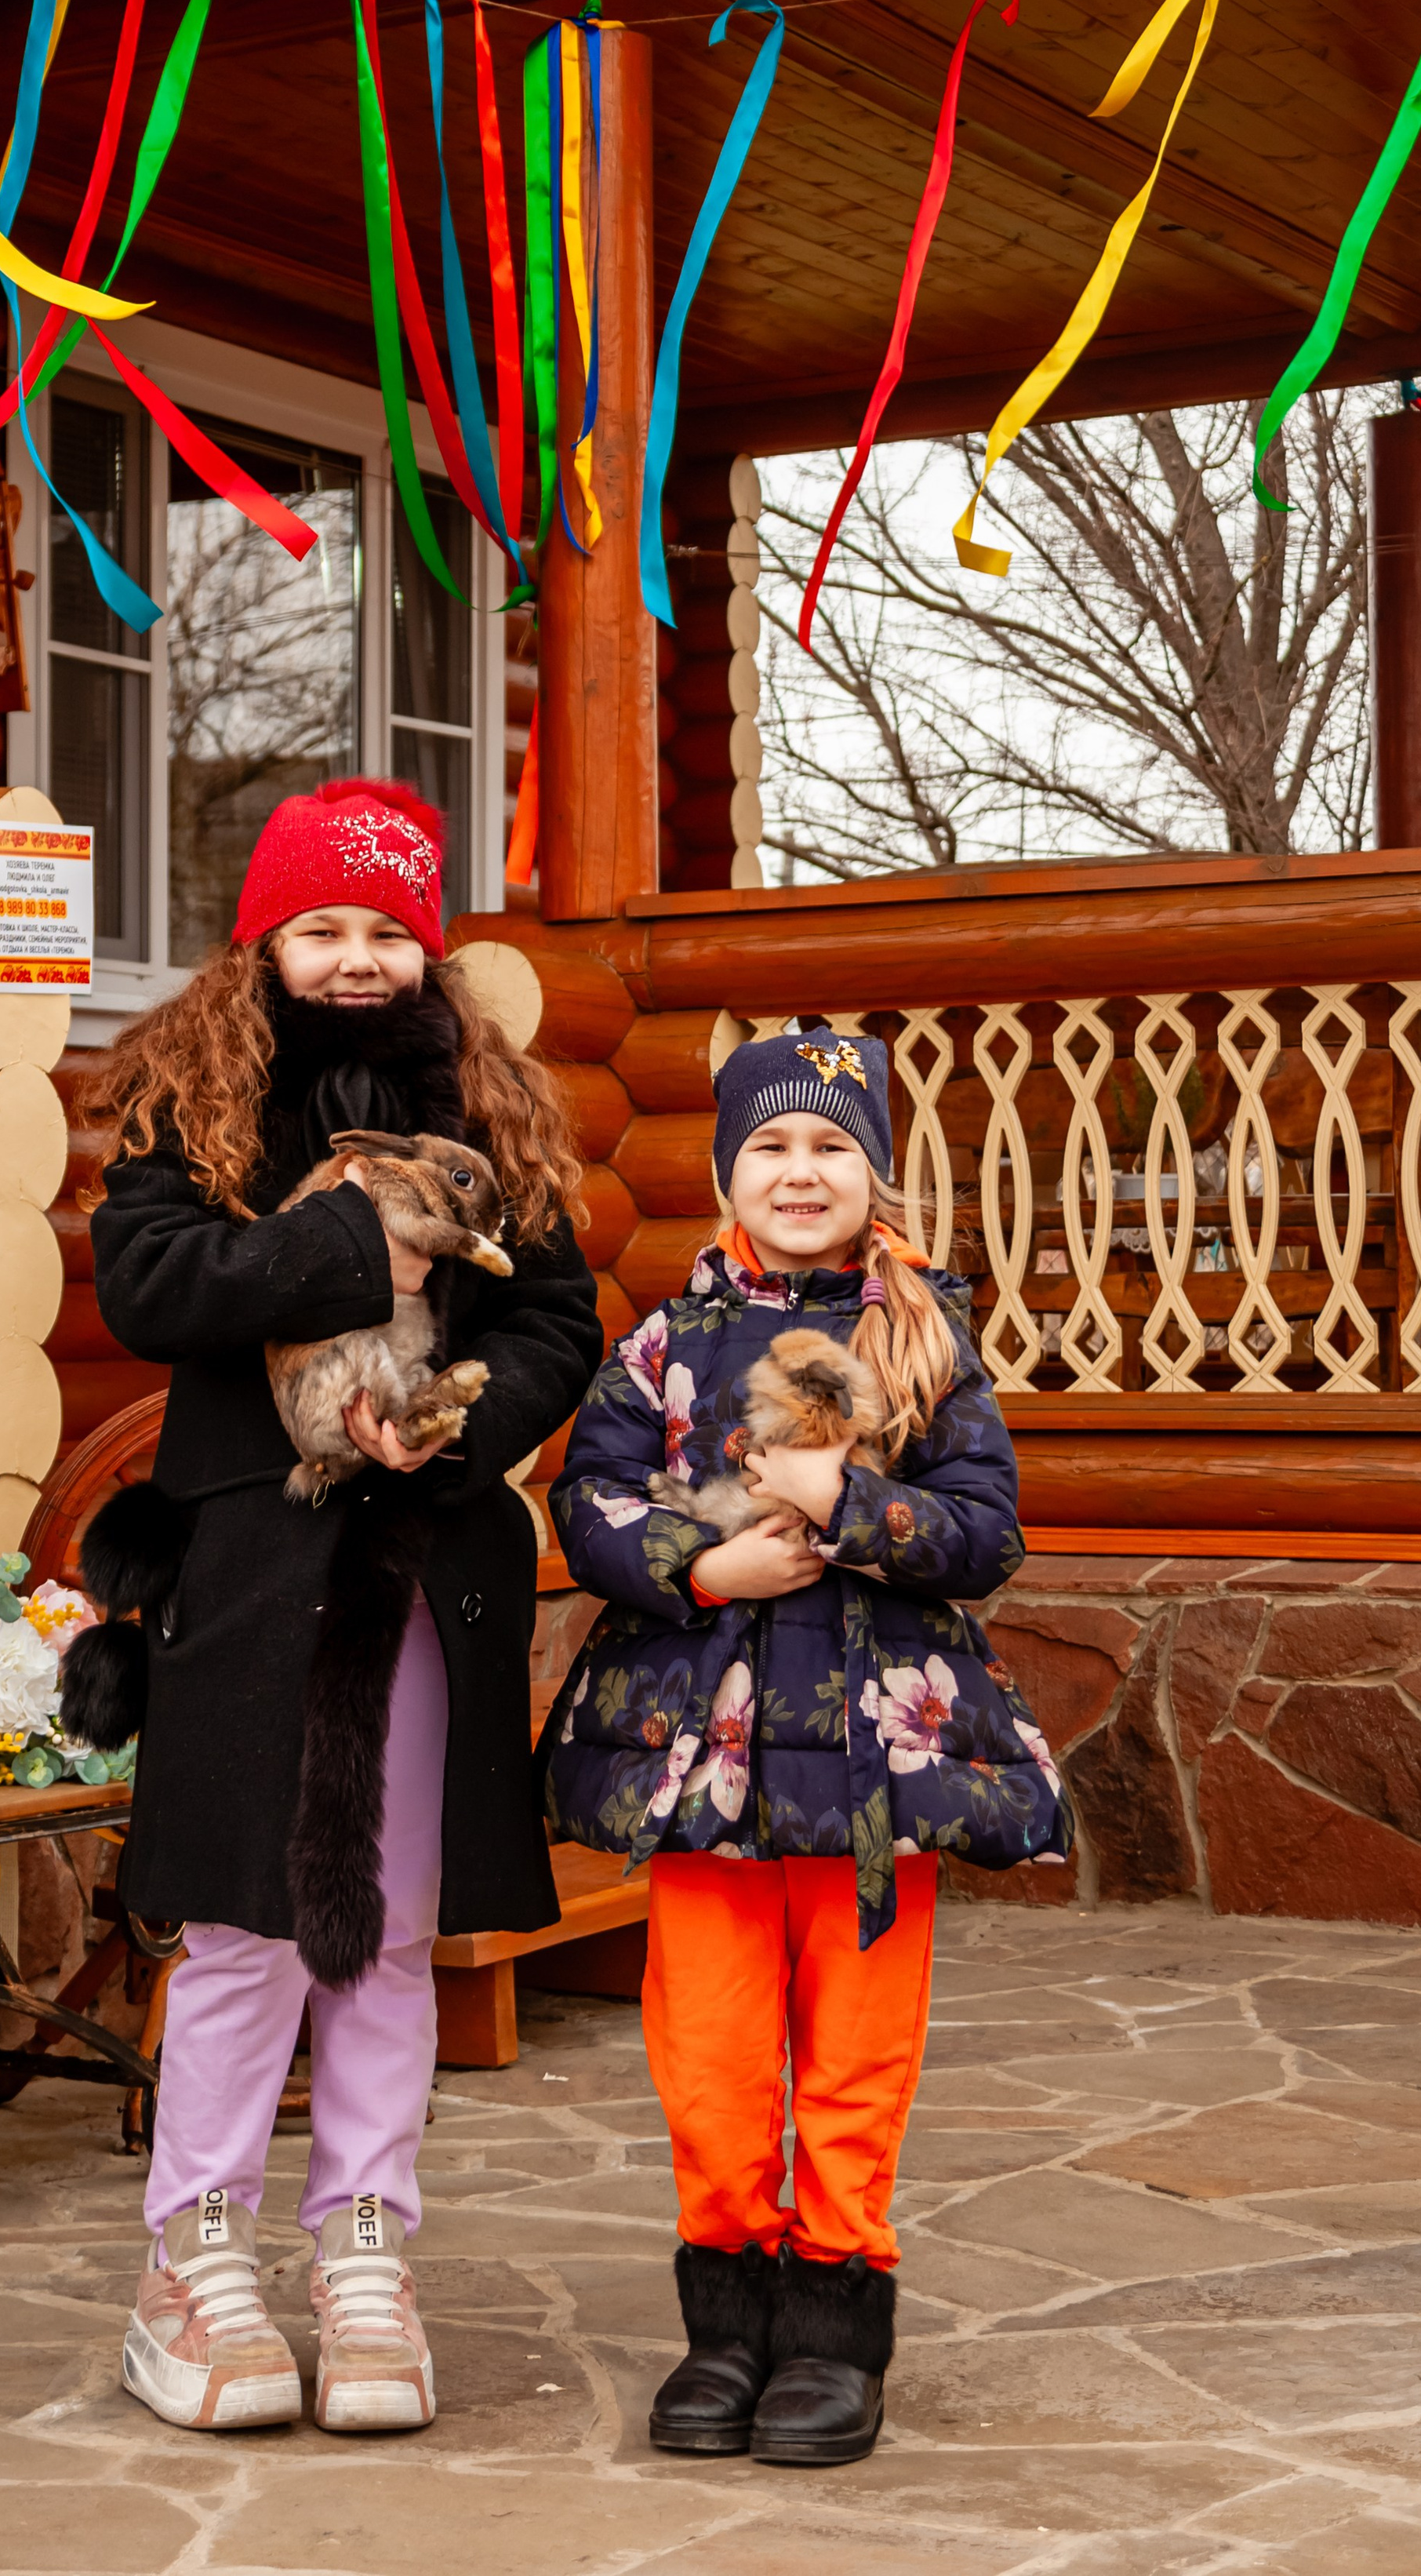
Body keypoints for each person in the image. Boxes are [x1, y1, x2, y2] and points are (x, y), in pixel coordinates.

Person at [78, 778, 601, 2439]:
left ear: (424, 947)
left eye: (388, 930)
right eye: (324, 928)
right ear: (266, 943)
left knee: (381, 1937)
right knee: (243, 1932)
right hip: (250, 1568)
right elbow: (151, 1289)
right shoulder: (191, 1112)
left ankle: (363, 2245)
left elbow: (558, 1325)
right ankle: (194, 2254)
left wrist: (459, 1416)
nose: (359, 959)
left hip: (420, 1559)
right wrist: (336, 1246)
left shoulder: (491, 1115)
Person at [543, 1030, 1069, 2468]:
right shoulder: (664, 1347)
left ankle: (833, 2330)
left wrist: (851, 1507)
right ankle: (726, 2326)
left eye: (832, 1146)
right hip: (705, 1768)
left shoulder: (928, 1345)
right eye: (770, 1146)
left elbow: (988, 1533)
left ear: (876, 1175)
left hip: (870, 1783)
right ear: (726, 1174)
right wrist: (705, 1572)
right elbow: (586, 1503)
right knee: (709, 2057)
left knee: (852, 2057)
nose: (799, 1169)